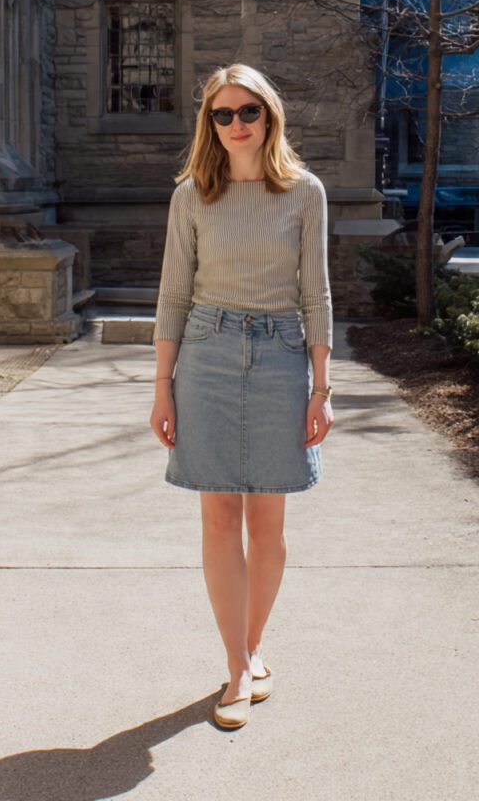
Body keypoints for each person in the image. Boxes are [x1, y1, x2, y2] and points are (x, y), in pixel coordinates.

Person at [149, 63, 335, 730]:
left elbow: (316, 294)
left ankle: (254, 647)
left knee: (269, 525)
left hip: (284, 358)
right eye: (221, 115)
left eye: (246, 113)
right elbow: (172, 295)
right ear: (210, 123)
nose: (235, 126)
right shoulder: (191, 197)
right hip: (206, 355)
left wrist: (322, 387)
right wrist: (162, 387)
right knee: (219, 519)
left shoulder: (304, 193)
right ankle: (236, 665)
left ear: (269, 117)